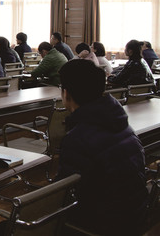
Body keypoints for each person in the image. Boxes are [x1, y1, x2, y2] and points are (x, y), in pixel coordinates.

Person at [57, 59, 148, 236]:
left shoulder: (78, 138)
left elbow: (63, 194)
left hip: (106, 224)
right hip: (137, 214)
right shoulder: (120, 123)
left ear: (66, 93)